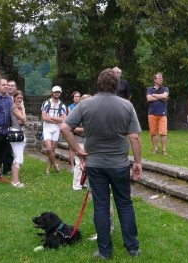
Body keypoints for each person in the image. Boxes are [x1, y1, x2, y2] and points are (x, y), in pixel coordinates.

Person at [61, 68, 142, 259]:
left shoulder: (85, 105)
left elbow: (65, 127)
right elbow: (135, 138)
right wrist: (138, 162)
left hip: (95, 164)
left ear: (99, 84)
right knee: (125, 204)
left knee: (101, 206)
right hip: (119, 163)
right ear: (117, 85)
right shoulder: (126, 106)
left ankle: (105, 251)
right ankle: (132, 248)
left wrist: (78, 150)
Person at [41, 85, 67, 174]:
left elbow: (64, 119)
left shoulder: (62, 105)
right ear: (52, 93)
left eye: (58, 92)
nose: (57, 93)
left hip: (56, 128)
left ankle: (48, 168)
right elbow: (44, 117)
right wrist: (57, 120)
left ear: (60, 93)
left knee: (52, 149)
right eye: (55, 92)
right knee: (48, 149)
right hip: (47, 127)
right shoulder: (46, 103)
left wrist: (51, 118)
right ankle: (56, 164)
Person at [146, 73, 169, 155]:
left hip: (162, 114)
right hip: (152, 113)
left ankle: (164, 150)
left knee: (163, 132)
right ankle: (155, 149)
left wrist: (154, 95)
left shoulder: (165, 88)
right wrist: (161, 97)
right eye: (159, 78)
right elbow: (149, 98)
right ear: (155, 80)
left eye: (161, 78)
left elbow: (165, 96)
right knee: (153, 132)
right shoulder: (149, 89)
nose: (161, 79)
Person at [71, 94, 91, 191]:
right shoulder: (77, 113)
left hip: (89, 141)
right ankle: (76, 185)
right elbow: (71, 128)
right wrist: (84, 129)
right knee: (79, 162)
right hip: (79, 140)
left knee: (88, 163)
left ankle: (83, 182)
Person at [9, 90, 26, 188]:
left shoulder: (17, 107)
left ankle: (15, 180)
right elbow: (23, 119)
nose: (19, 100)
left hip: (19, 131)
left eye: (21, 98)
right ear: (14, 98)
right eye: (18, 97)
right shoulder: (14, 107)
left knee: (18, 156)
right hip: (15, 132)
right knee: (18, 157)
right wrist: (23, 110)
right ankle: (15, 181)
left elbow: (23, 120)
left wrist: (22, 118)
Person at [2, 79, 18, 175]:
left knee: (12, 149)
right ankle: (5, 168)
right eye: (9, 85)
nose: (10, 87)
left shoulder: (17, 99)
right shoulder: (4, 98)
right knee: (5, 148)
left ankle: (10, 167)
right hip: (5, 126)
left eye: (12, 86)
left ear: (16, 88)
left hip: (14, 127)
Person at [68, 91, 81, 171]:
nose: (77, 98)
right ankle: (72, 166)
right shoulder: (70, 107)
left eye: (78, 96)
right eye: (76, 96)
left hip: (80, 128)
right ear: (73, 98)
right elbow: (71, 117)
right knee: (71, 148)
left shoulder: (82, 105)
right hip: (73, 128)